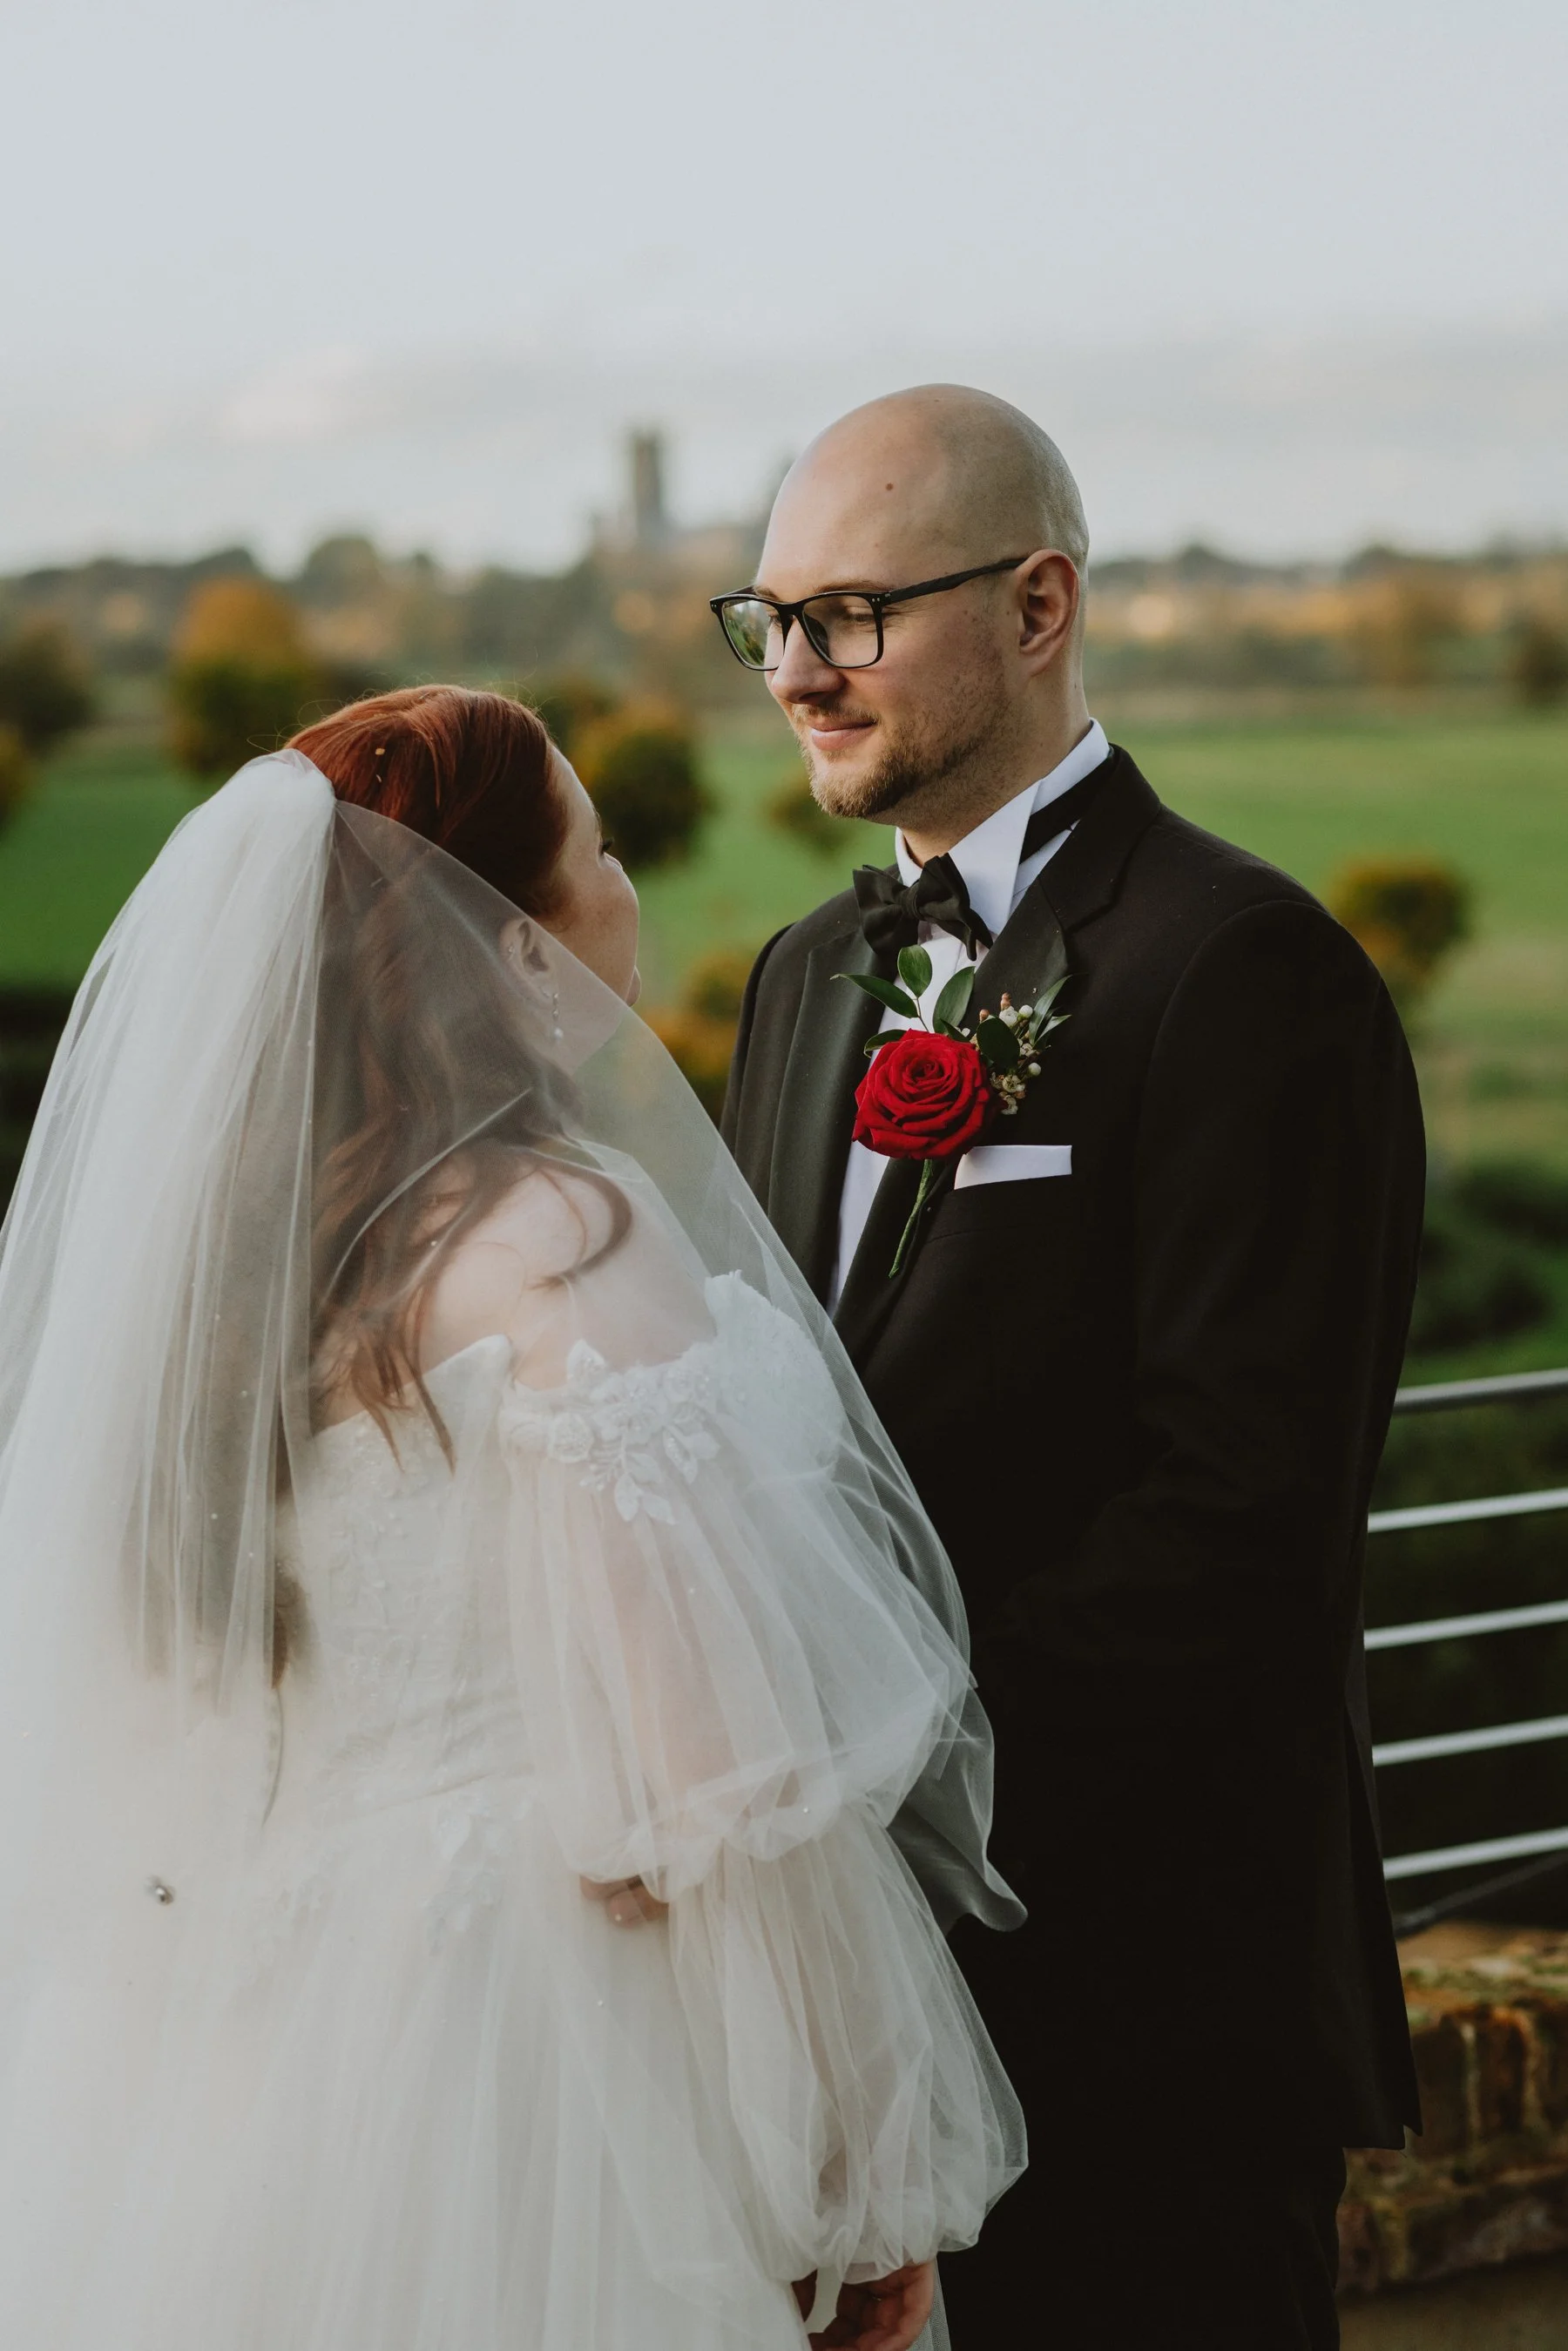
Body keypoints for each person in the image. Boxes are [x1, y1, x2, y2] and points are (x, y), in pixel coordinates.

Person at [0, 686, 1024, 2351]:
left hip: (244, 2064)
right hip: (548, 2052)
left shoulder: (219, 1294)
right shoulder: (562, 1235)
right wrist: (853, 2171)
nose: (627, 885)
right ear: (522, 957)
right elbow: (715, 1779)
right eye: (598, 851)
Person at [718, 387, 1425, 2349]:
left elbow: (1246, 1525)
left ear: (1038, 607)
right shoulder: (801, 978)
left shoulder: (1243, 966)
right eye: (770, 618)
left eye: (852, 613)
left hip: (1146, 2025)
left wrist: (876, 1771)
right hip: (853, 2036)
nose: (795, 671)